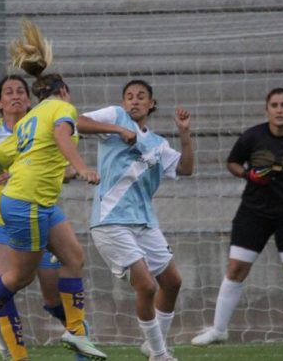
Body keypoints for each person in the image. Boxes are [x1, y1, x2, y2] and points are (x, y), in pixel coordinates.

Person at [0, 19, 107, 360]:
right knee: (18, 278)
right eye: (8, 92)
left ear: (31, 98)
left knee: (74, 257)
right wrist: (83, 168)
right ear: (64, 92)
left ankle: (76, 335)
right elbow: (61, 135)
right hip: (19, 207)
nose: (15, 95)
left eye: (20, 91)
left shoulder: (28, 123)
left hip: (36, 203)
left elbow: (5, 154)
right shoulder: (59, 111)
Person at [191, 87, 283, 349]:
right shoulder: (253, 136)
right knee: (236, 270)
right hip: (253, 213)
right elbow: (232, 163)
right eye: (275, 105)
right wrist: (248, 175)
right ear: (267, 110)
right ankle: (218, 330)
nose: (280, 110)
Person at [78, 80, 193, 361]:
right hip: (111, 222)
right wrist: (118, 129)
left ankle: (154, 344)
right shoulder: (115, 116)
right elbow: (77, 122)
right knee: (146, 285)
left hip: (144, 223)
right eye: (129, 96)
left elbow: (187, 168)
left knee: (173, 282)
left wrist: (185, 134)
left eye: (141, 97)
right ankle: (159, 354)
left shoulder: (158, 145)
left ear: (151, 104)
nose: (134, 101)